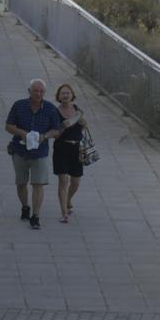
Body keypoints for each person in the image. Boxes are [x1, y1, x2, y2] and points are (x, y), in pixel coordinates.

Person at [4, 78, 63, 228]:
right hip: (20, 150)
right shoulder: (19, 105)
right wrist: (22, 133)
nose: (38, 94)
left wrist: (45, 136)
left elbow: (57, 130)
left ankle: (35, 215)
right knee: (21, 182)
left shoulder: (50, 109)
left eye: (41, 91)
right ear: (29, 91)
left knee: (38, 184)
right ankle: (25, 206)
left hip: (40, 152)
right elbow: (9, 126)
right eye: (35, 91)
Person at [51, 82, 90, 224]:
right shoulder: (55, 112)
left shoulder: (77, 110)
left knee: (75, 182)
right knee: (63, 181)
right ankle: (64, 213)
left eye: (68, 93)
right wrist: (65, 125)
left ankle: (68, 200)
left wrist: (80, 120)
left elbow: (85, 125)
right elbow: (55, 133)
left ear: (72, 95)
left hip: (77, 149)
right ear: (59, 97)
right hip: (61, 148)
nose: (66, 95)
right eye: (63, 93)